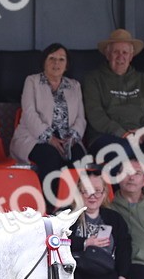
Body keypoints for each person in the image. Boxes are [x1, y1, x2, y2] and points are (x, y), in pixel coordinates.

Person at [82, 29, 144, 171]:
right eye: (115, 52)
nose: (120, 56)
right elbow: (95, 114)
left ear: (131, 56)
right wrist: (123, 134)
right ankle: (118, 193)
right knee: (123, 150)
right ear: (108, 54)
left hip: (140, 138)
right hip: (104, 137)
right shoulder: (93, 79)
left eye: (125, 52)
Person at [9, 43, 87, 200]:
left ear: (67, 65)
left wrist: (72, 138)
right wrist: (49, 138)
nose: (56, 63)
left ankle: (71, 204)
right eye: (51, 58)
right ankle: (49, 205)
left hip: (67, 138)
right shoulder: (32, 81)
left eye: (61, 59)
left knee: (77, 157)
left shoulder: (74, 86)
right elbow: (29, 113)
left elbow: (81, 117)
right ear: (44, 62)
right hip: (34, 137)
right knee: (50, 156)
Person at [69, 170, 131, 279]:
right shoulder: (67, 215)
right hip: (73, 270)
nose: (93, 195)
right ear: (79, 193)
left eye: (97, 191)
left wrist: (123, 275)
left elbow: (124, 248)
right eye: (86, 190)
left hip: (102, 269)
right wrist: (85, 242)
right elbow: (56, 242)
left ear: (104, 194)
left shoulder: (114, 218)